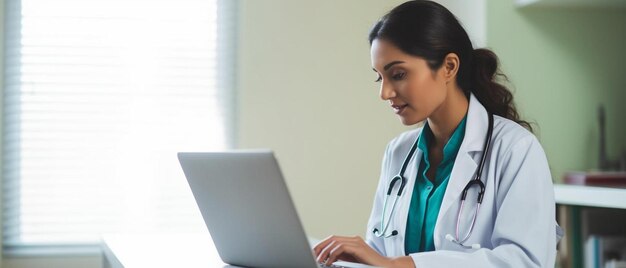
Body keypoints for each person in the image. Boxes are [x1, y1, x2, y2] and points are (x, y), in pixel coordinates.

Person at [313, 1, 562, 267]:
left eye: (398, 74)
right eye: (379, 77)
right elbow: (381, 251)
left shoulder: (515, 149)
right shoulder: (398, 152)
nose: (384, 93)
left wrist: (403, 265)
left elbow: (525, 261)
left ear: (449, 67)